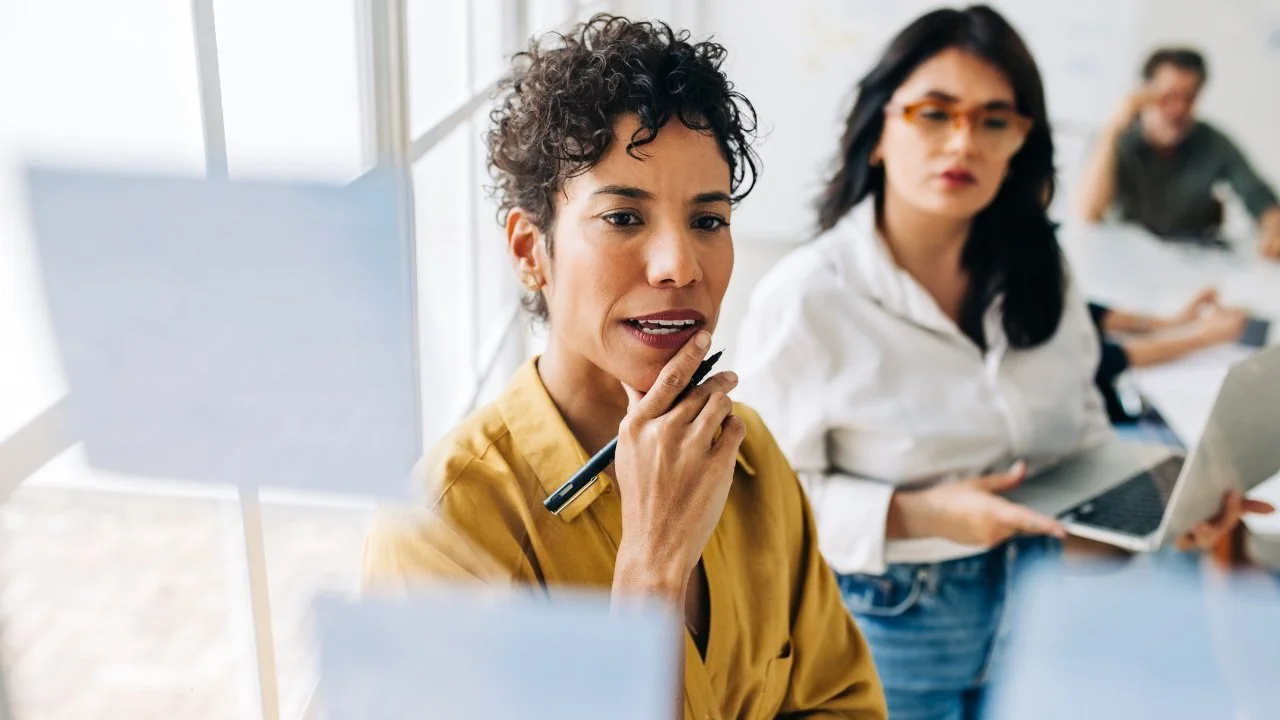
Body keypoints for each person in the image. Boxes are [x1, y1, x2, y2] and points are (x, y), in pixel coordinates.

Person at [733, 7, 1270, 718]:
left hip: (1041, 604)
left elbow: (1076, 452)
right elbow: (756, 511)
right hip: (887, 623)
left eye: (994, 120)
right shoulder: (807, 299)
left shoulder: (1041, 273)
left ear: (1021, 140)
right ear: (879, 132)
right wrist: (918, 512)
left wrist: (1165, 519)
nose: (964, 141)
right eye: (934, 113)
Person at [362, 15, 886, 719]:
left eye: (708, 220)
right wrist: (651, 570)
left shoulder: (749, 453)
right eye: (622, 218)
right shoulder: (441, 533)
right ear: (529, 251)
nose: (680, 266)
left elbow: (841, 702)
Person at [1075, 47, 1280, 258]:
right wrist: (1114, 129)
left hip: (1190, 262)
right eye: (1168, 96)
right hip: (1126, 262)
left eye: (1189, 98)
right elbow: (1089, 213)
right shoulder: (1113, 138)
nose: (1178, 109)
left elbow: (1259, 197)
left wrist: (1273, 231)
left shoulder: (1212, 142)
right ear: (1144, 93)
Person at [1089, 287, 1248, 424]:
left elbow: (1088, 313)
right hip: (1105, 422)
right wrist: (1205, 337)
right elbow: (1107, 359)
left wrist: (1174, 322)